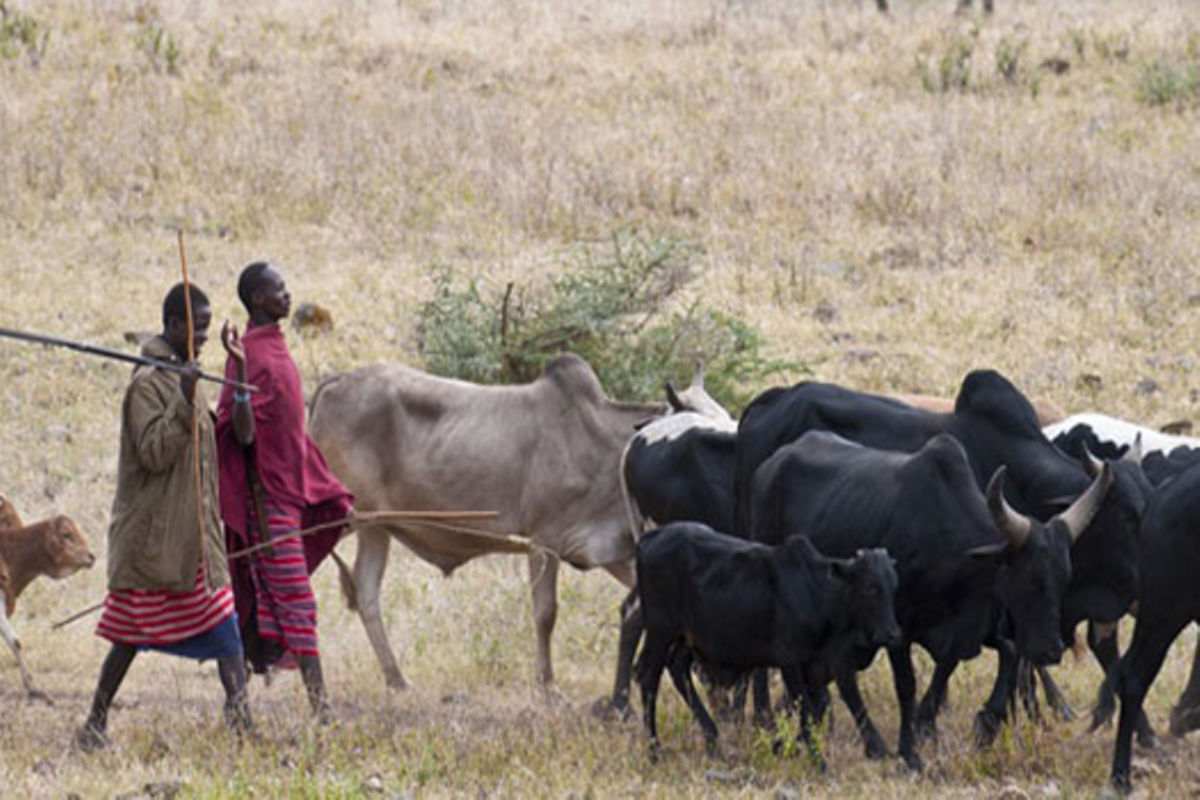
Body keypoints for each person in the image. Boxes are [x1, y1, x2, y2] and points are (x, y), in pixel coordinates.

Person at [76, 282, 251, 752]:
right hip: (154, 541)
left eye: (209, 329)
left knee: (225, 624)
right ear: (173, 325)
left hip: (193, 539)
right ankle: (94, 722)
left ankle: (242, 722)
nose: (203, 338)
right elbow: (154, 452)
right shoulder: (148, 385)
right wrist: (183, 398)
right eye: (197, 329)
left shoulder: (184, 376)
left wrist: (225, 376)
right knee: (130, 635)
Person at [215, 262, 352, 723]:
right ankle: (321, 709)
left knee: (272, 604)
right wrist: (236, 377)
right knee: (296, 602)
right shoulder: (248, 355)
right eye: (280, 291)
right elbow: (243, 435)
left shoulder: (273, 347)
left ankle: (239, 708)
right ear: (258, 299)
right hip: (266, 503)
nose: (289, 297)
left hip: (289, 497)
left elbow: (291, 435)